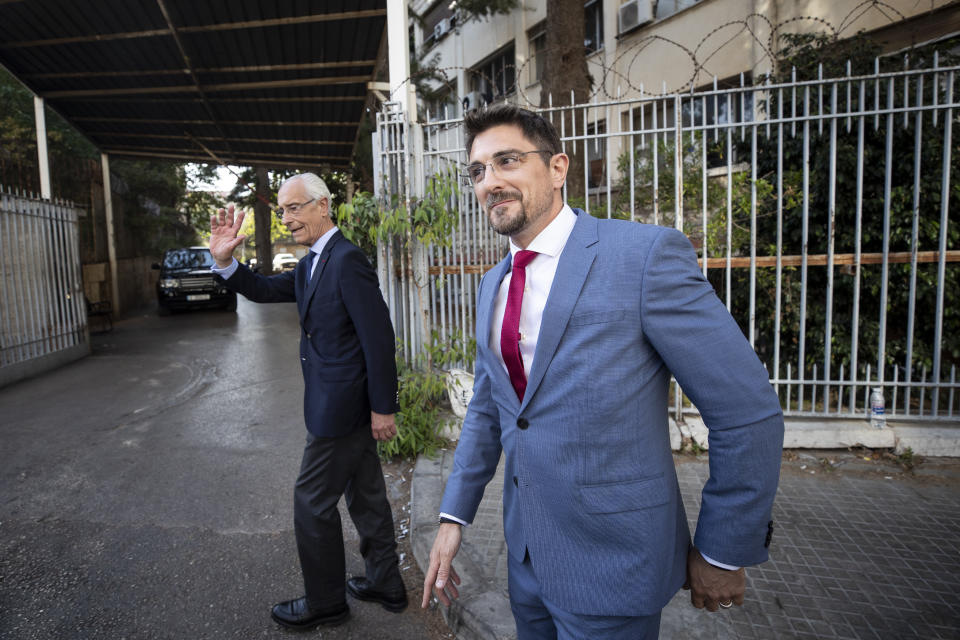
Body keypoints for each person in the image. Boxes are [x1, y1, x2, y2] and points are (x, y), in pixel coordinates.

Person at [421, 104, 784, 639]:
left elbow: (746, 412)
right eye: (478, 171)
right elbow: (490, 408)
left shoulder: (642, 257)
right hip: (525, 560)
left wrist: (724, 550)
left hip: (614, 565)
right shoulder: (493, 284)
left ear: (559, 168)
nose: (490, 182)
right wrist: (453, 518)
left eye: (507, 161)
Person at [209, 173, 407, 631]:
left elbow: (378, 340)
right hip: (342, 406)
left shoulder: (347, 260)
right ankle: (385, 583)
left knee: (311, 503)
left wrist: (384, 407)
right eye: (282, 210)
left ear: (323, 206)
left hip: (341, 411)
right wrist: (225, 264)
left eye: (295, 208)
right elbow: (262, 290)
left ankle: (326, 604)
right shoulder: (313, 263)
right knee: (367, 496)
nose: (287, 218)